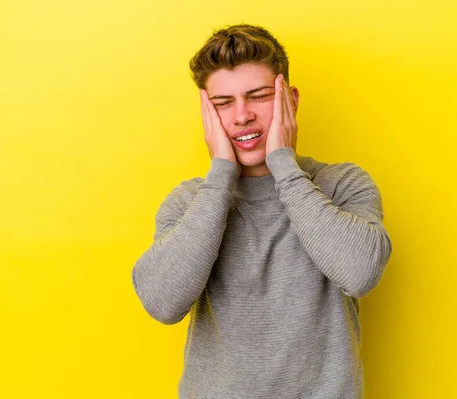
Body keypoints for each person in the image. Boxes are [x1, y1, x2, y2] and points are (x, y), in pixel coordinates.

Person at [131, 24, 392, 399]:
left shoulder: (342, 185)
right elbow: (163, 302)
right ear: (207, 114)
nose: (241, 117)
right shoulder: (190, 201)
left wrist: (283, 163)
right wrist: (221, 172)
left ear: (291, 100)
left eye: (258, 96)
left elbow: (360, 273)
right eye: (223, 104)